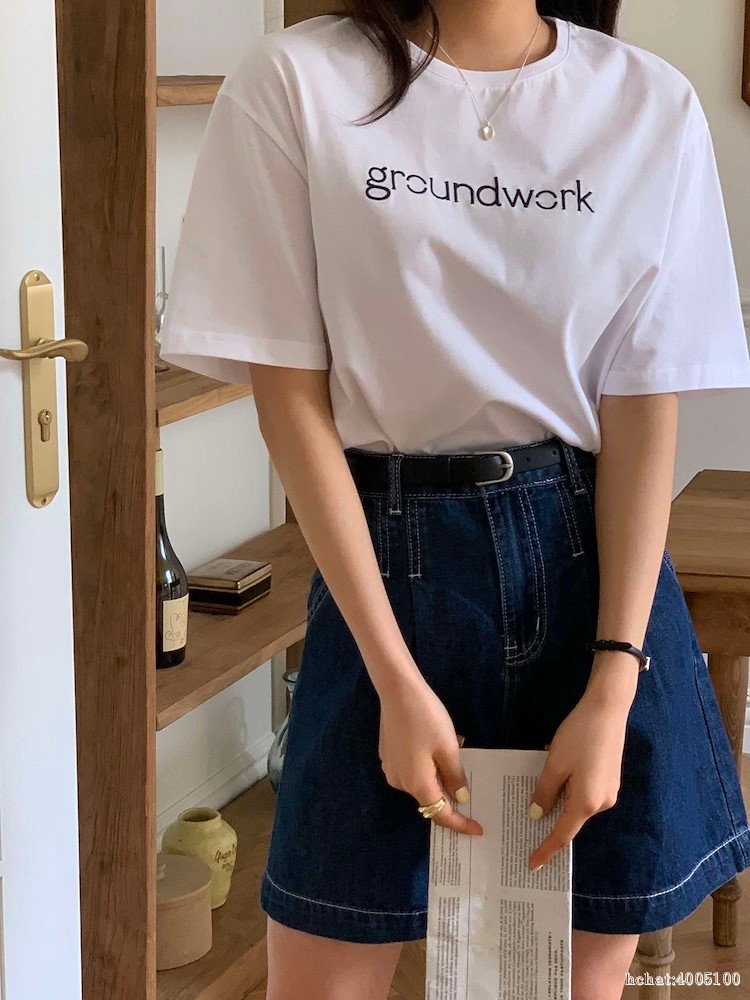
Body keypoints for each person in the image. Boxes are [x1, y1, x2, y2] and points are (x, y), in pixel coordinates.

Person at [158, 1, 750, 996]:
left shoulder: (647, 103)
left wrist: (614, 682)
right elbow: (291, 400)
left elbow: (644, 405)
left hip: (589, 565)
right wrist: (392, 675)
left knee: (562, 978)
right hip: (385, 558)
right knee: (323, 971)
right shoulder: (297, 81)